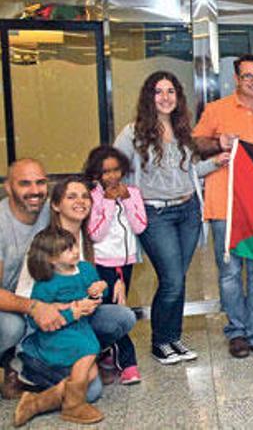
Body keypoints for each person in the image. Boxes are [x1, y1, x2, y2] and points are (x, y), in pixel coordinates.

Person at [115, 71, 223, 365]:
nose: (165, 97)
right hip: (155, 213)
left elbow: (187, 173)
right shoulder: (133, 132)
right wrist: (121, 195)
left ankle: (172, 338)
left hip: (187, 211)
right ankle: (160, 341)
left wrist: (214, 164)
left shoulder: (182, 130)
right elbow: (114, 167)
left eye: (171, 91)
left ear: (178, 97)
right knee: (172, 278)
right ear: (149, 97)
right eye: (159, 92)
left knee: (176, 278)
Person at [193, 53, 253, 359]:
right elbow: (195, 144)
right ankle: (237, 332)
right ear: (236, 79)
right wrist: (218, 143)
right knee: (230, 272)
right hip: (225, 204)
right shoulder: (216, 110)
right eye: (247, 76)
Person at [16, 176, 137, 403]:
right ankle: (30, 368)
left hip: (78, 322)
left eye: (84, 196)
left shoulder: (89, 238)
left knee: (123, 317)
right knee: (91, 393)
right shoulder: (46, 244)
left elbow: (94, 280)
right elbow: (27, 298)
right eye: (71, 196)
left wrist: (109, 283)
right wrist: (62, 308)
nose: (80, 201)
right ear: (55, 205)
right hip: (49, 329)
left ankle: (87, 359)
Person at [14, 228, 105, 426]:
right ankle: (73, 406)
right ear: (52, 260)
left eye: (74, 245)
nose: (75, 250)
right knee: (89, 351)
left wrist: (97, 293)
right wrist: (72, 312)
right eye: (67, 249)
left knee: (91, 373)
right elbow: (36, 321)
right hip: (57, 334)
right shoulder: (45, 285)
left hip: (80, 328)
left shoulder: (86, 269)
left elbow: (95, 295)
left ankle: (36, 403)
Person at [83, 146, 146, 385]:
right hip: (102, 263)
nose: (111, 176)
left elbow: (140, 227)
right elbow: (95, 233)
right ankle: (128, 363)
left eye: (116, 170)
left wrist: (127, 201)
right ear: (97, 174)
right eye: (105, 172)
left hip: (126, 263)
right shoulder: (92, 197)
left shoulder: (133, 192)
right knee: (114, 311)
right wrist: (109, 203)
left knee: (117, 310)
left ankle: (108, 354)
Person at [0, 159, 52, 398]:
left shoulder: (53, 211)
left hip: (35, 299)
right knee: (12, 326)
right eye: (25, 183)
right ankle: (8, 364)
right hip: (8, 306)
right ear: (8, 188)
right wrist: (33, 307)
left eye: (40, 182)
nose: (35, 191)